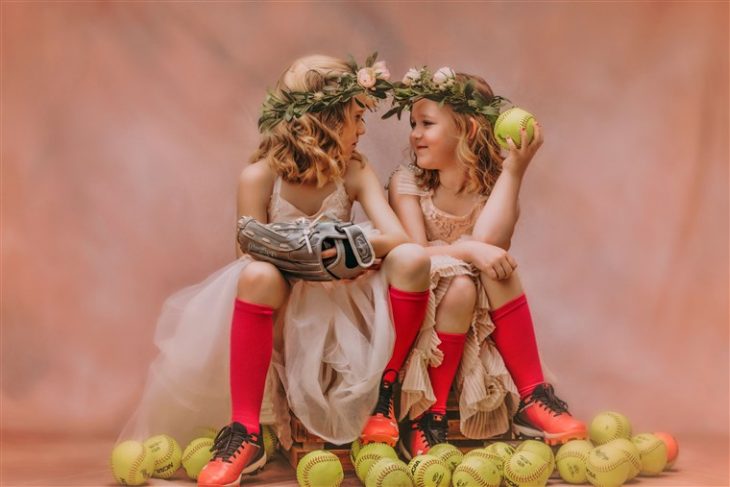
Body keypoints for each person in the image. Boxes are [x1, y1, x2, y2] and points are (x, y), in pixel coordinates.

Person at [118, 54, 431, 487]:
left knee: (414, 259)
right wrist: (297, 252)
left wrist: (343, 245)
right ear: (326, 118)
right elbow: (248, 252)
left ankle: (386, 396)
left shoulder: (354, 171)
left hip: (341, 297)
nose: (362, 130)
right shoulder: (259, 176)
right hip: (284, 302)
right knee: (255, 276)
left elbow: (398, 238)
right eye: (356, 117)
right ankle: (244, 430)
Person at [385, 66, 587, 458]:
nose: (414, 134)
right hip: (414, 313)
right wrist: (467, 250)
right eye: (413, 123)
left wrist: (515, 169)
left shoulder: (494, 186)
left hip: (472, 321)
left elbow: (492, 243)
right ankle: (428, 414)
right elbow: (411, 253)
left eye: (426, 123)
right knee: (463, 279)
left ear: (468, 131)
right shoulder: (405, 181)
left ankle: (534, 396)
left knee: (495, 265)